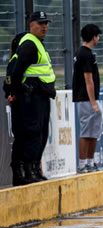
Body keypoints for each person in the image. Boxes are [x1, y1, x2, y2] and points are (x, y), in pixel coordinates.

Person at [5, 12, 56, 185]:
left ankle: (33, 169)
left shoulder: (38, 44)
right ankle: (25, 171)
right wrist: (13, 92)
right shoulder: (29, 44)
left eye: (46, 23)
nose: (44, 27)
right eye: (40, 23)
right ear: (31, 24)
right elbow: (16, 71)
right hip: (29, 97)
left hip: (40, 96)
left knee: (41, 134)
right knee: (31, 134)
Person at [73, 24, 102, 174]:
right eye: (98, 36)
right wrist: (93, 102)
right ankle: (82, 164)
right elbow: (88, 79)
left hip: (89, 98)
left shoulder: (86, 53)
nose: (99, 39)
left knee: (94, 131)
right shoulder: (85, 54)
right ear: (93, 37)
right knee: (86, 131)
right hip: (86, 98)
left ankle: (90, 162)